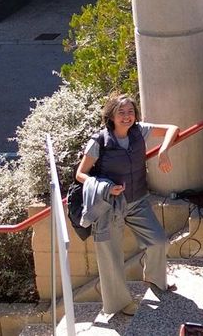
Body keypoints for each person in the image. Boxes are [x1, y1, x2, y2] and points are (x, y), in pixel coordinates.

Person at [75, 94, 179, 316]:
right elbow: (80, 174)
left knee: (158, 240)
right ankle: (120, 304)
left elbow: (172, 128)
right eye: (121, 112)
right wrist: (106, 186)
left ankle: (154, 278)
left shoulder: (139, 131)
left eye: (130, 111)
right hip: (110, 205)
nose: (127, 116)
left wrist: (163, 150)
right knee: (111, 256)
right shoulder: (99, 141)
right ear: (111, 115)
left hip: (138, 200)